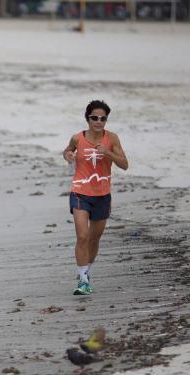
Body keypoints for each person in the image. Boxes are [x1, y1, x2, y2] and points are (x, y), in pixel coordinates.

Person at [62, 100, 129, 296]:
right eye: (94, 118)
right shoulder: (77, 138)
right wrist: (67, 155)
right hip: (80, 192)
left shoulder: (112, 139)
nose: (98, 122)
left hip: (102, 194)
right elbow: (67, 151)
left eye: (103, 118)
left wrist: (108, 152)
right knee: (82, 236)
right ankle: (83, 281)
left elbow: (125, 165)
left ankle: (86, 272)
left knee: (94, 239)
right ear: (87, 118)